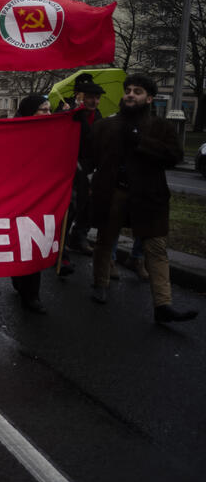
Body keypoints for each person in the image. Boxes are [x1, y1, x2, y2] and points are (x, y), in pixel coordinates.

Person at [89, 74, 197, 323]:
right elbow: (90, 155)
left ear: (149, 99)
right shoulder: (106, 126)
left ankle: (163, 305)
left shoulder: (161, 128)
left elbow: (174, 156)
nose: (130, 94)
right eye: (128, 90)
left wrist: (141, 141)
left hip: (149, 196)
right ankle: (100, 284)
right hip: (114, 192)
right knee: (105, 240)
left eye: (137, 91)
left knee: (156, 248)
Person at [9, 94, 54, 313]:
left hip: (41, 196)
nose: (48, 114)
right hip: (18, 196)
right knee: (20, 241)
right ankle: (19, 276)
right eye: (43, 110)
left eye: (49, 110)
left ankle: (32, 294)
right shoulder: (14, 133)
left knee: (36, 242)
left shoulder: (54, 133)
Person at [67, 73, 104, 255]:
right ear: (80, 96)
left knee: (88, 205)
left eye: (97, 98)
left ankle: (79, 236)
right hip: (71, 166)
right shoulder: (70, 112)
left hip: (90, 168)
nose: (94, 101)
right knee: (71, 205)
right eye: (90, 97)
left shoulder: (98, 116)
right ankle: (62, 240)